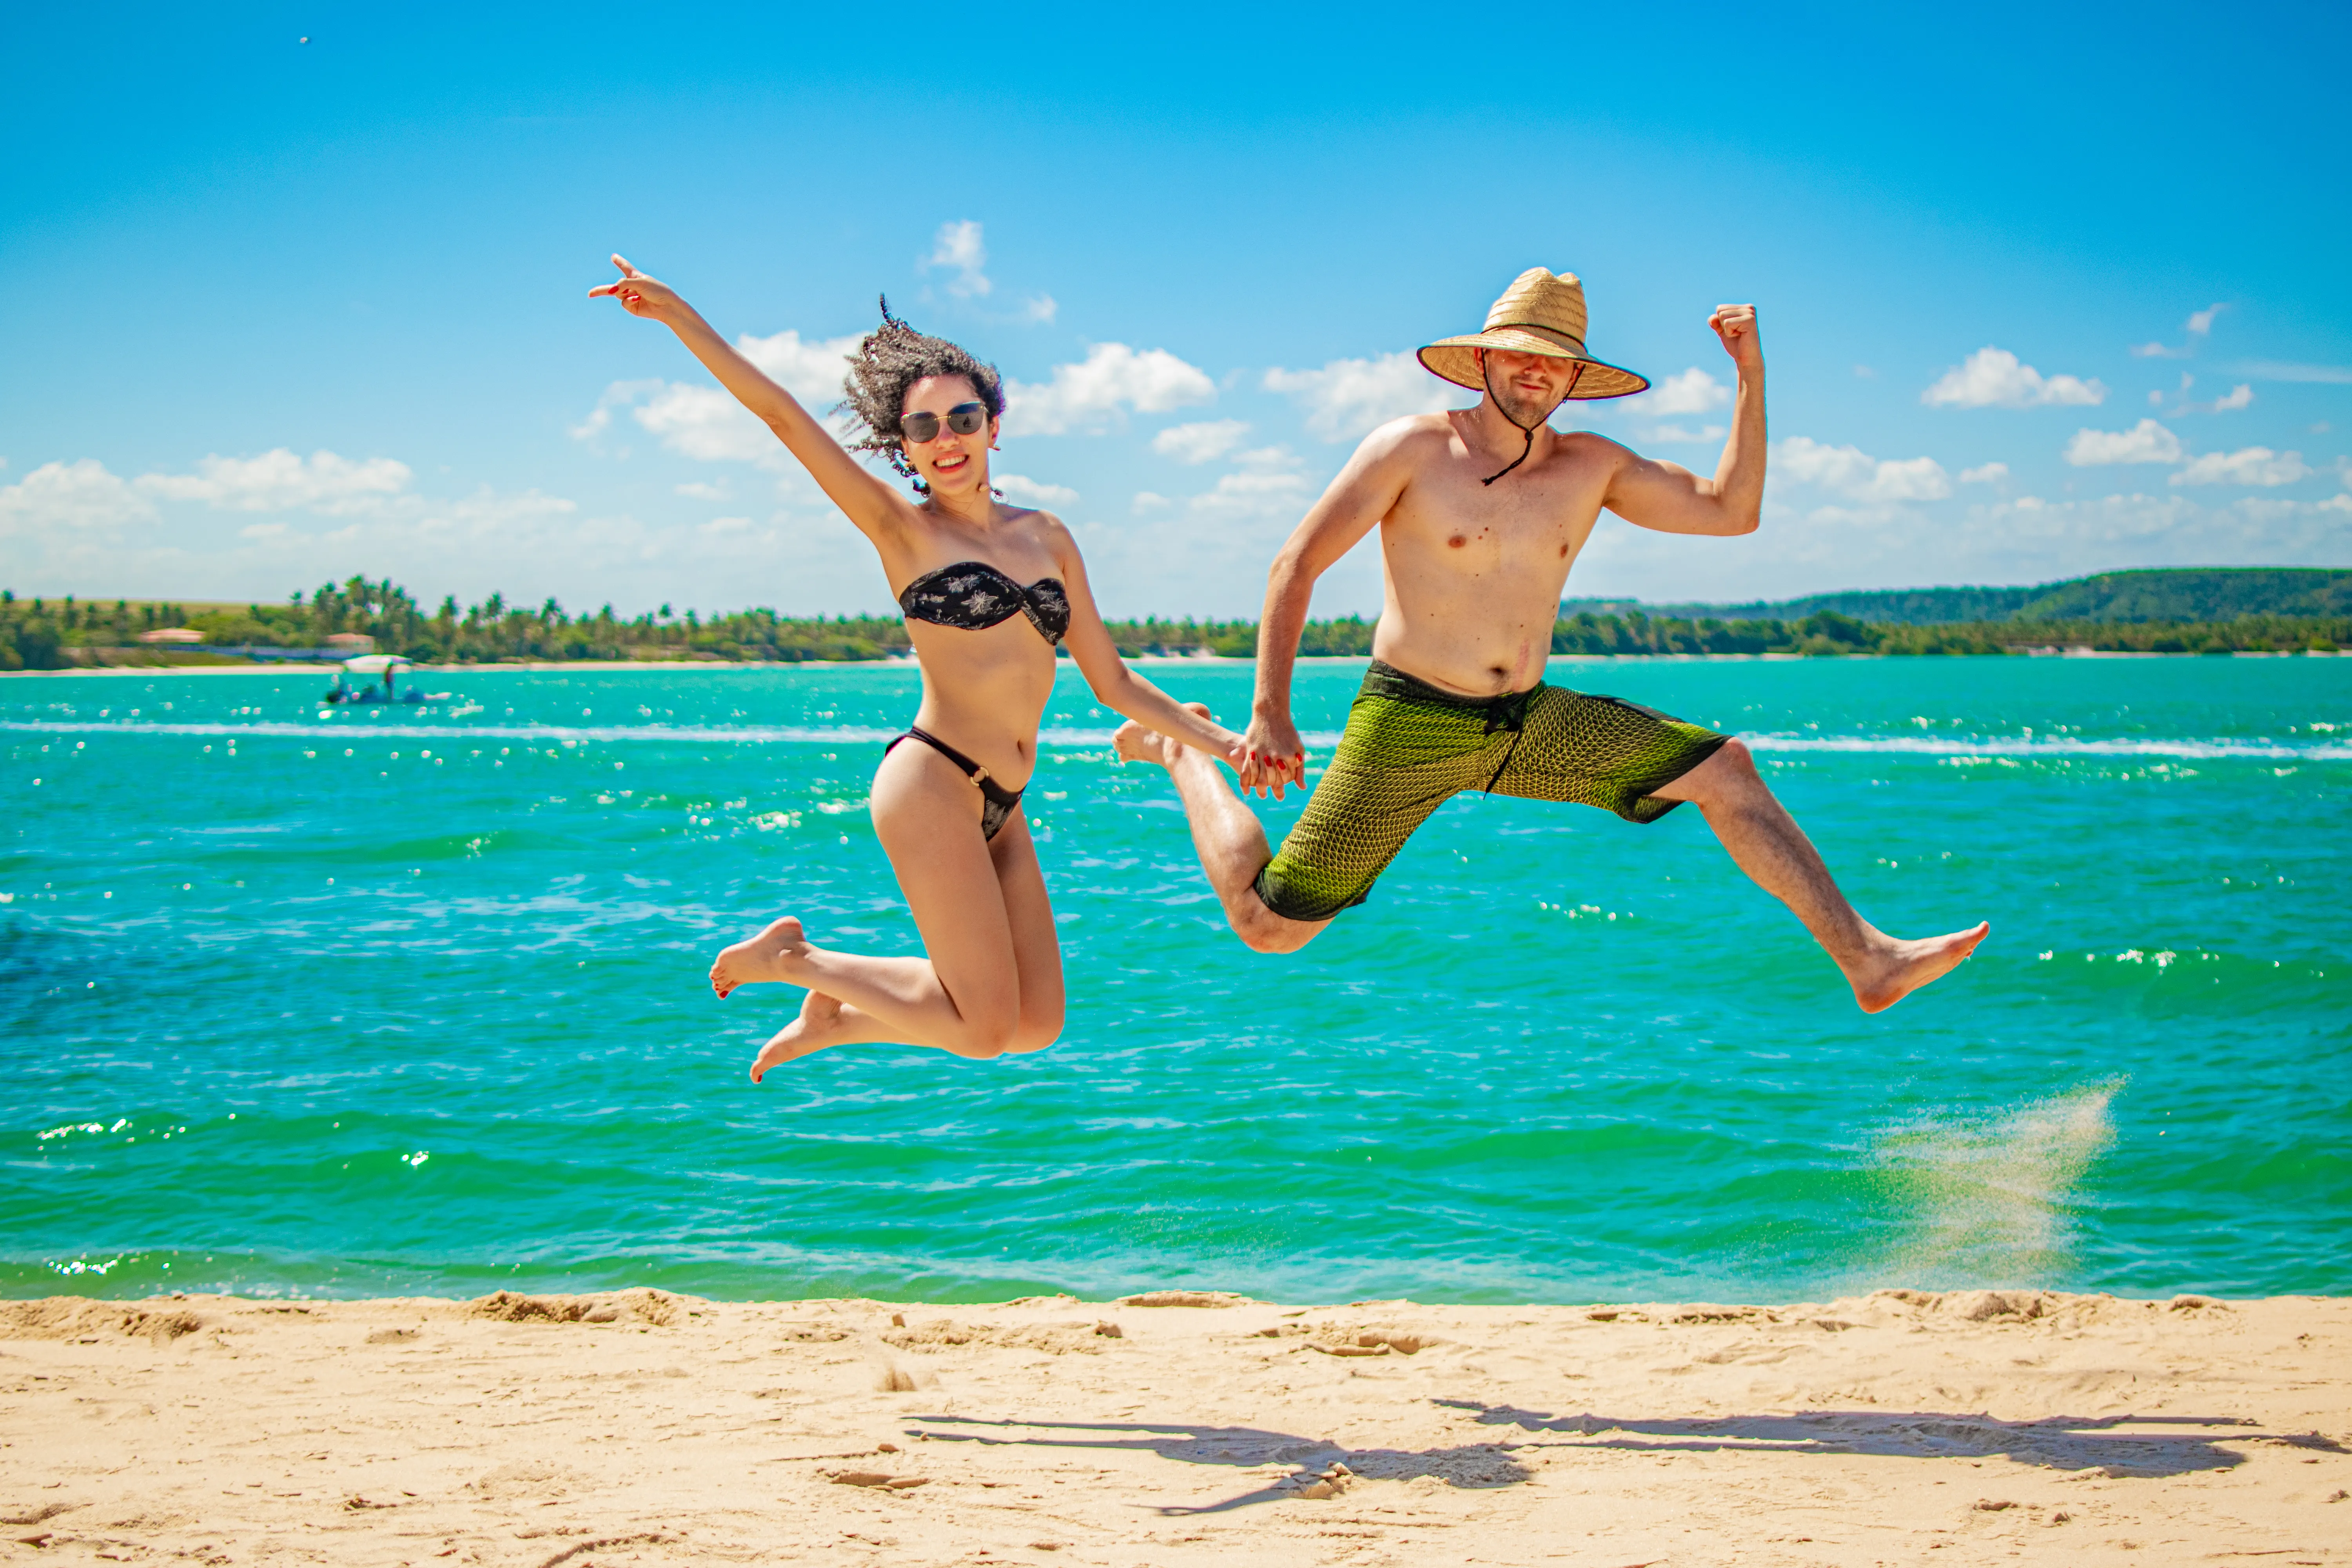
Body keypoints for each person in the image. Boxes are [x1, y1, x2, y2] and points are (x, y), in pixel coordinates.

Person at [1114, 267, 1987, 1012]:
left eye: (1558, 363)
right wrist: (1269, 713)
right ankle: (1179, 751)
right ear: (1486, 358)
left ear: (1575, 380)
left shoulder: (1591, 466)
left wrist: (1750, 374)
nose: (1538, 373)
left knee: (1726, 768)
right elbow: (1294, 566)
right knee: (1270, 927)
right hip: (1409, 719)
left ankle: (1868, 960)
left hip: (1525, 718)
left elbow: (1733, 511)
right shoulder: (1412, 449)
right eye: (1524, 354)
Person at [588, 255, 1247, 1075]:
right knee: (976, 1025)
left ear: (993, 425)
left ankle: (839, 1017)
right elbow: (782, 417)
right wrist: (679, 314)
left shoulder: (1048, 536)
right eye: (925, 427)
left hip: (1003, 799)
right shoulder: (904, 532)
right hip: (931, 782)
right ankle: (792, 962)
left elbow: (1113, 682)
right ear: (904, 445)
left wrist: (1232, 747)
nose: (947, 440)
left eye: (963, 419)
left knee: (1034, 1022)